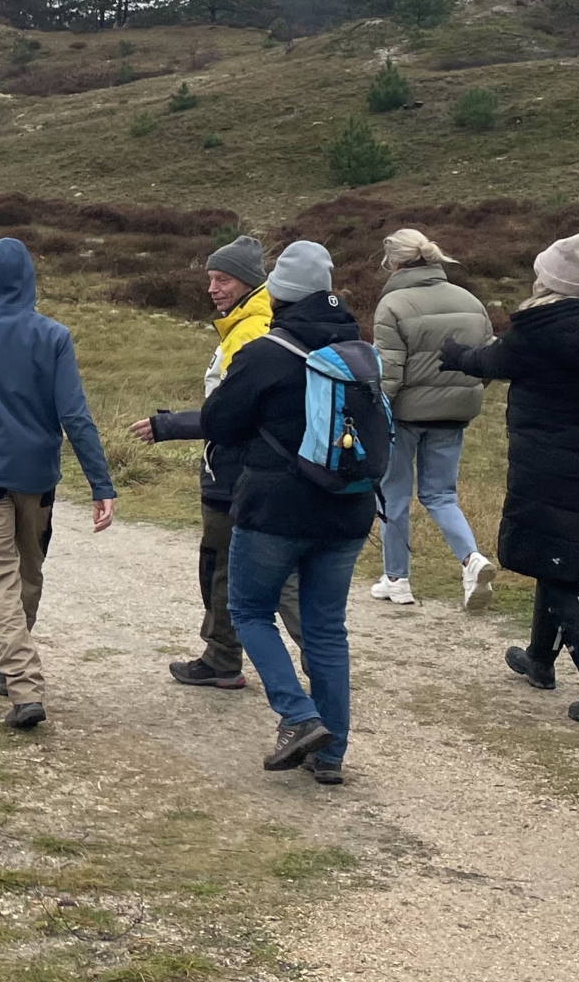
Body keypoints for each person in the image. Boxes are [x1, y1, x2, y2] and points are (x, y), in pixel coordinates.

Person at [0, 236, 117, 730]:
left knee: (0, 577)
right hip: (39, 477)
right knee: (27, 574)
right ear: (30, 280)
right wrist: (101, 483)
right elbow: (75, 414)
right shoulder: (55, 336)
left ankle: (24, 685)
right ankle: (15, 669)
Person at [200, 241, 376, 785]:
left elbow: (219, 421)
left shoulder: (266, 353)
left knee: (250, 610)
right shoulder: (358, 350)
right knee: (327, 630)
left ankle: (298, 717)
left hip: (275, 509)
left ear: (278, 292)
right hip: (348, 508)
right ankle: (332, 754)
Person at [438, 233, 579, 725]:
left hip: (546, 462)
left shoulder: (536, 329)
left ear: (548, 280)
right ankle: (540, 660)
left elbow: (492, 362)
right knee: (557, 560)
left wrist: (456, 353)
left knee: (560, 571)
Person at [134, 235, 303, 689]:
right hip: (240, 468)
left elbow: (232, 410)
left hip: (236, 472)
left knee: (233, 567)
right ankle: (225, 656)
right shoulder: (243, 323)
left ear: (249, 282)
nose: (212, 288)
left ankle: (250, 658)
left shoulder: (251, 331)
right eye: (210, 278)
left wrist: (169, 425)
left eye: (222, 279)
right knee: (238, 568)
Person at [369, 228, 498, 609]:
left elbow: (389, 374)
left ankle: (397, 579)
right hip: (454, 413)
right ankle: (471, 560)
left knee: (393, 494)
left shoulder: (392, 305)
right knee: (441, 495)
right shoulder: (471, 301)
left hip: (405, 414)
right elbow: (488, 360)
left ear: (393, 262)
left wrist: (377, 415)